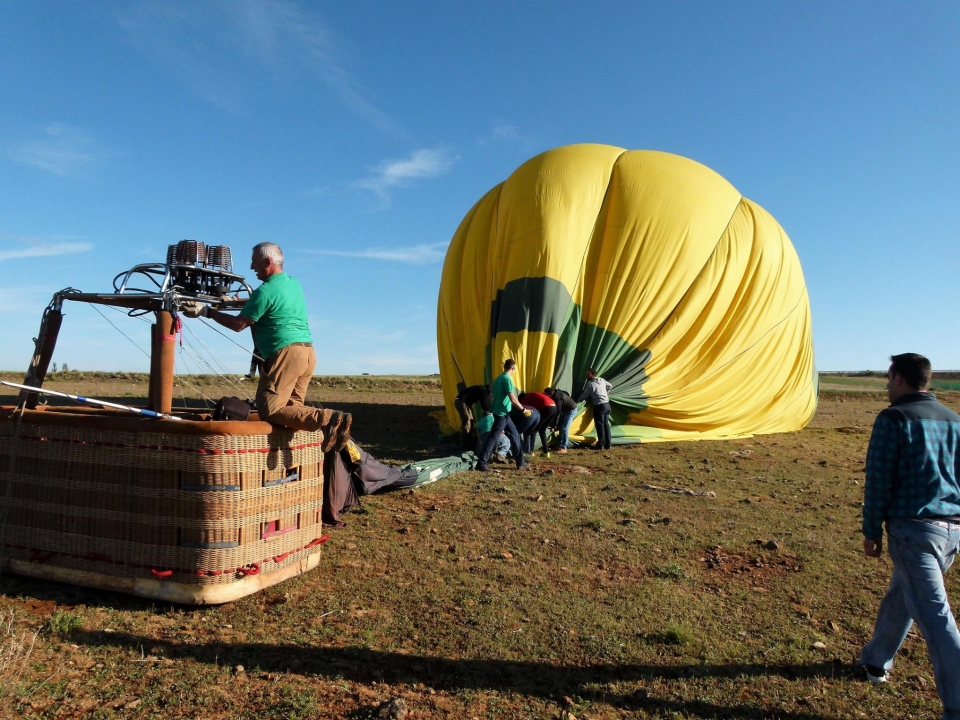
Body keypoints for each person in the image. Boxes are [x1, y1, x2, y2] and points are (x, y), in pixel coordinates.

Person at [859, 353, 960, 719]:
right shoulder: (954, 420)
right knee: (903, 595)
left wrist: (871, 531)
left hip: (912, 530)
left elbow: (879, 479)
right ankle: (875, 661)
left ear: (900, 379)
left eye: (888, 378)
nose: (887, 385)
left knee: (935, 617)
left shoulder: (893, 418)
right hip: (951, 531)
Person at [181, 242, 350, 452]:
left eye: (254, 262)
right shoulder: (292, 283)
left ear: (267, 262)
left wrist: (207, 312)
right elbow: (265, 301)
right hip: (307, 353)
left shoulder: (265, 291)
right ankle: (297, 453)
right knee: (292, 410)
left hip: (284, 354)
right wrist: (233, 301)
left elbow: (238, 324)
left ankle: (328, 418)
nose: (252, 267)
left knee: (269, 409)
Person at [475, 359, 529, 472]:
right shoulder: (507, 379)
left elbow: (493, 396)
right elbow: (513, 399)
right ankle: (482, 463)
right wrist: (523, 410)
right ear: (513, 368)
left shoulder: (498, 379)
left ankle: (520, 462)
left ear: (504, 367)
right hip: (501, 414)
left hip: (501, 413)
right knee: (493, 438)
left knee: (515, 435)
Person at [578, 369, 613, 450]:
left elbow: (584, 395)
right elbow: (610, 386)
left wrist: (577, 401)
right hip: (607, 405)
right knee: (606, 425)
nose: (587, 376)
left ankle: (600, 444)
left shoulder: (591, 385)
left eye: (588, 374)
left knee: (599, 425)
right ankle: (608, 444)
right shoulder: (602, 380)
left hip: (599, 406)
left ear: (593, 374)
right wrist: (606, 393)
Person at [545, 387, 577, 453]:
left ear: (550, 394)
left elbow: (557, 414)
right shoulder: (554, 394)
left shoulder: (559, 399)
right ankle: (559, 446)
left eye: (546, 395)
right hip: (565, 410)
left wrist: (554, 426)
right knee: (561, 428)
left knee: (564, 428)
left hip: (571, 411)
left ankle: (564, 448)